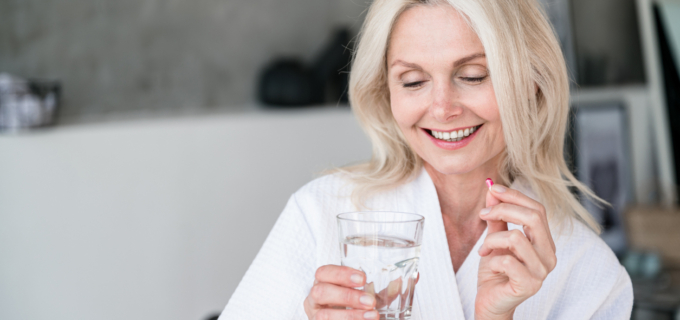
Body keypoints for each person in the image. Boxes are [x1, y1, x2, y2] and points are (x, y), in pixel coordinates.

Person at [219, 0, 633, 319]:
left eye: (472, 75)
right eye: (413, 81)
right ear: (386, 91)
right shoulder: (320, 215)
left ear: (531, 82)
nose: (441, 108)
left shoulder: (588, 273)